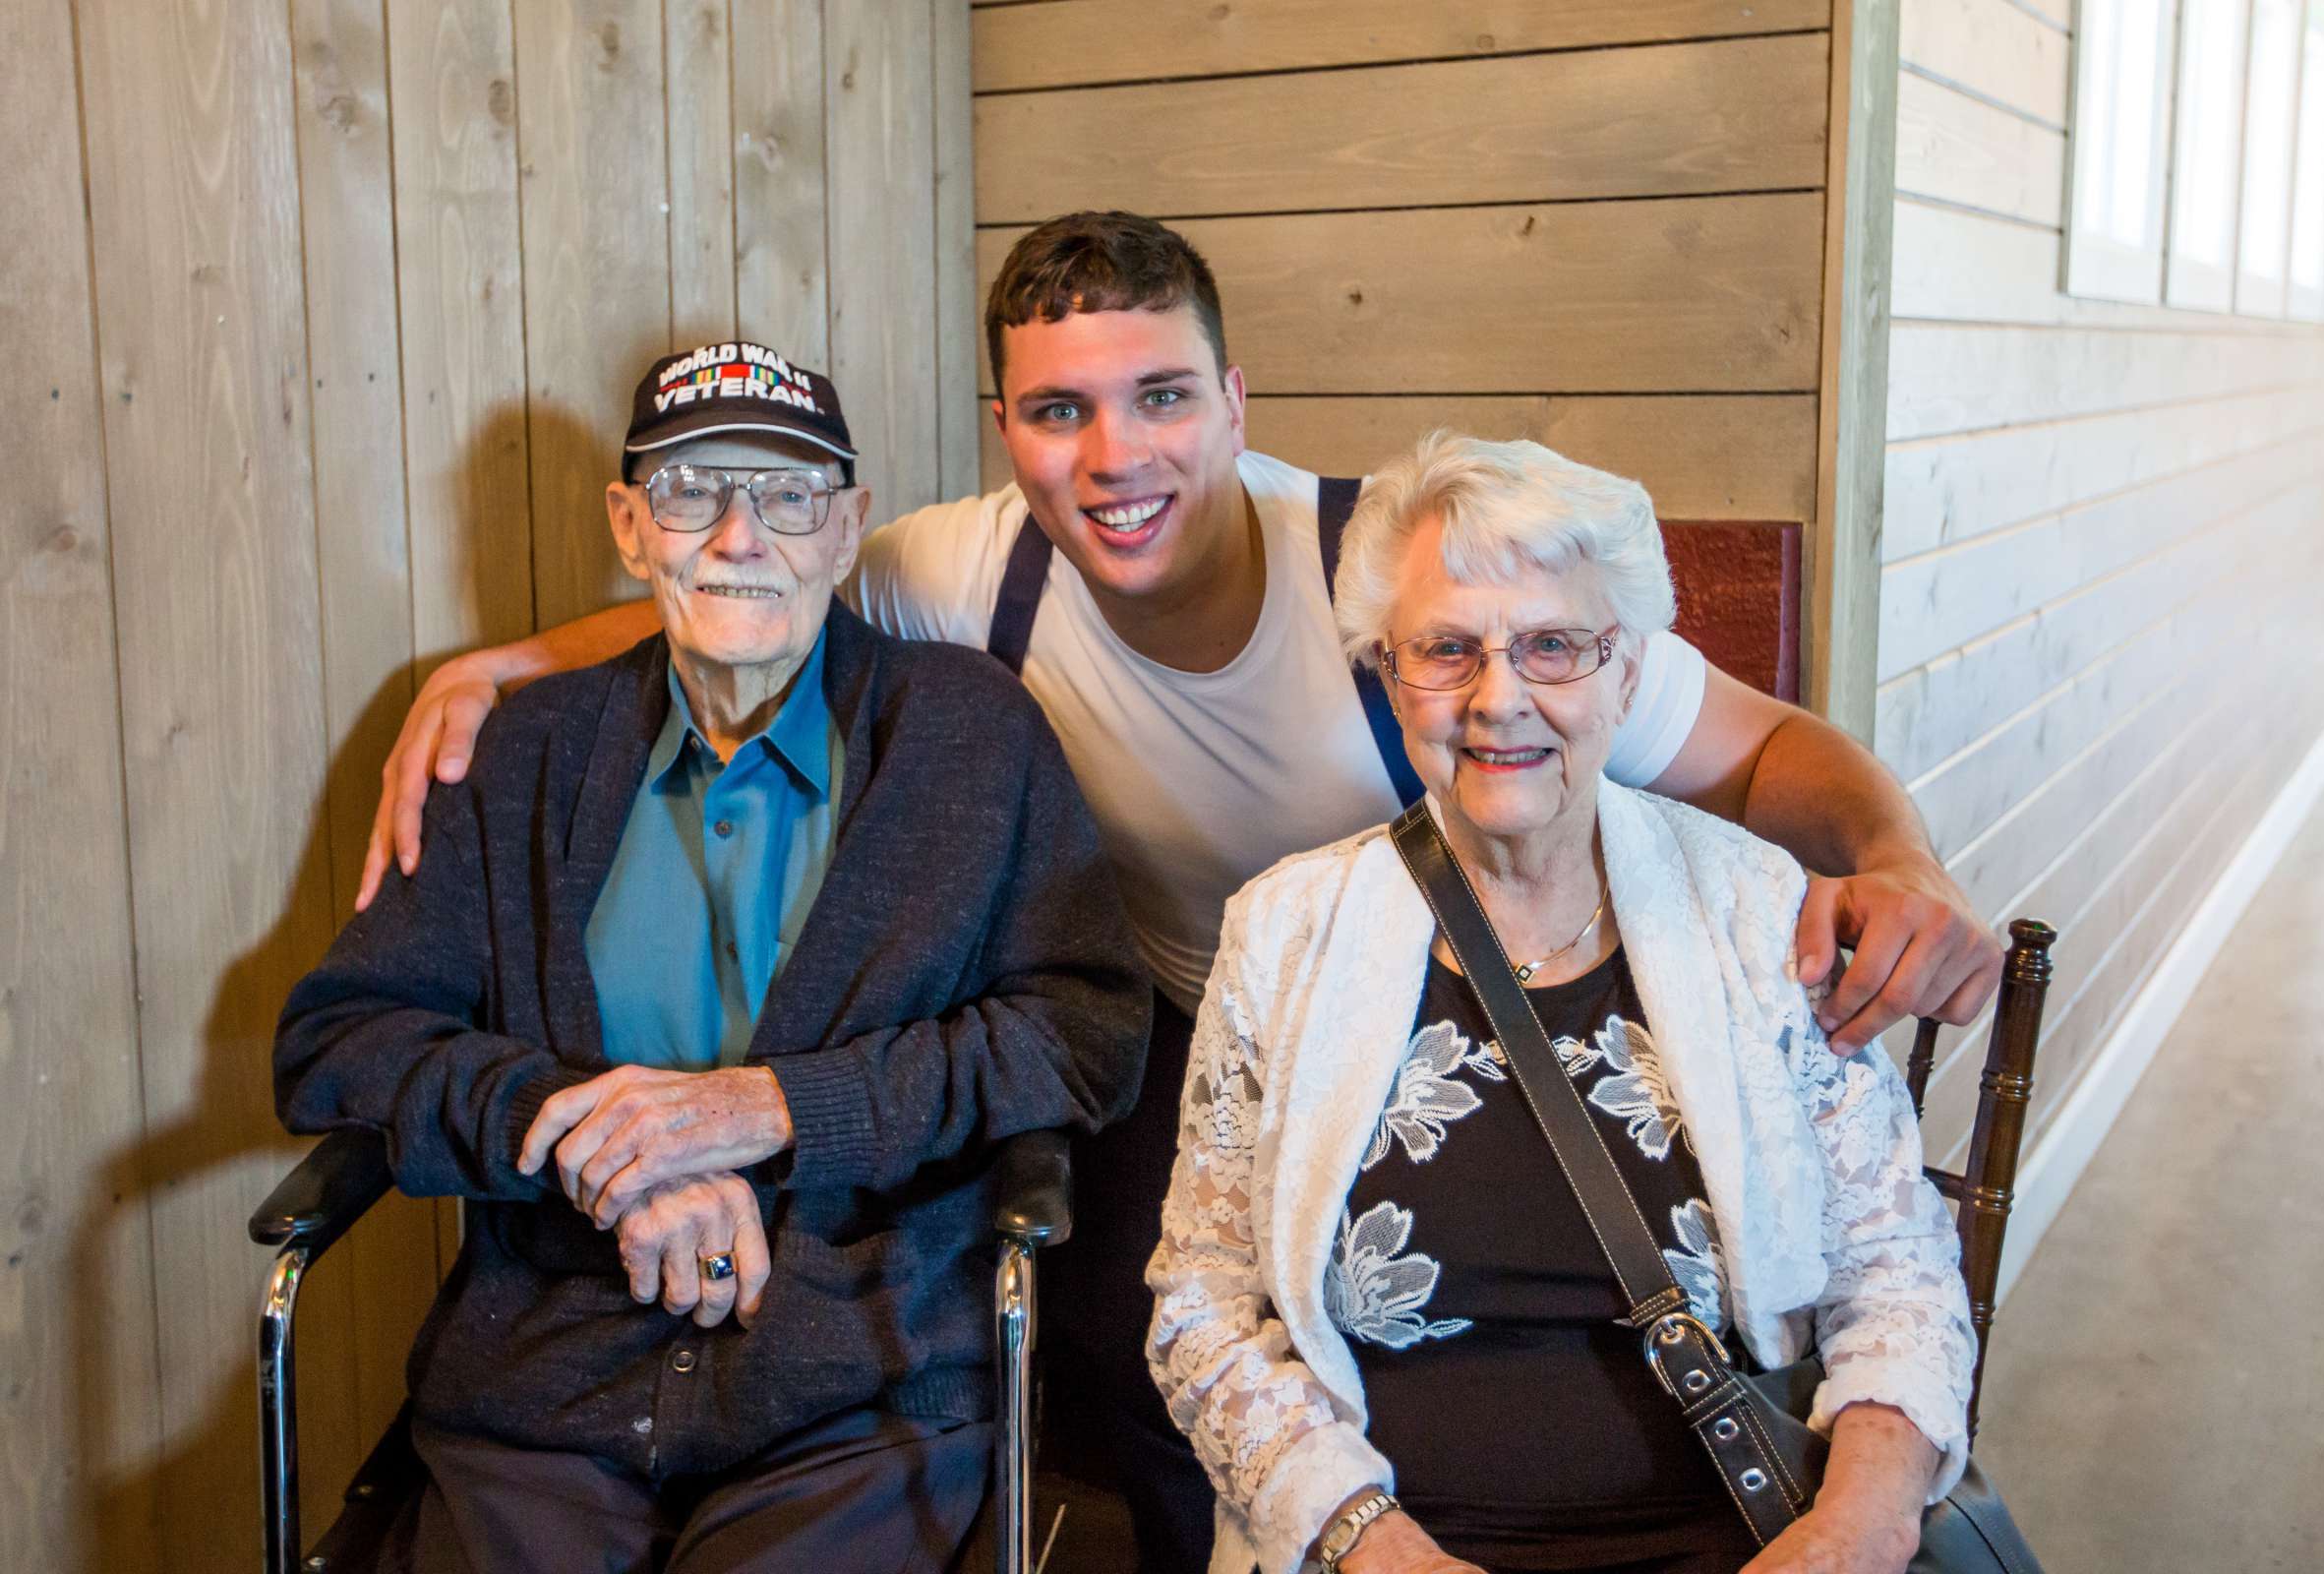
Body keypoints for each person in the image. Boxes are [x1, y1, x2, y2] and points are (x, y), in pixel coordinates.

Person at [349, 214, 1999, 1572]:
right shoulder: (960, 575)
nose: (1115, 453)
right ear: (1007, 431)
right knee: (1152, 1347)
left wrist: (1898, 854)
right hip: (1208, 1012)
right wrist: (504, 672)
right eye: (1062, 411)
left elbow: (1767, 752)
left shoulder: (1411, 583)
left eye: (1159, 398)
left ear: (1234, 402)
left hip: (1475, 981)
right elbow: (747, 587)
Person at [274, 343, 1151, 1573]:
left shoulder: (968, 734)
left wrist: (774, 1110)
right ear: (633, 529)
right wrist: (595, 1143)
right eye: (692, 490)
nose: (741, 536)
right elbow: (339, 1041)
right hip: (543, 1388)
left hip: (855, 1389)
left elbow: (1088, 1030)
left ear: (847, 529)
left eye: (789, 494)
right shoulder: (524, 755)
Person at [1148, 432, 1973, 1574]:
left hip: (1735, 1535)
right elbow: (1202, 1307)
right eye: (1446, 649)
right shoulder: (1283, 933)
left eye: (1553, 646)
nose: (1499, 699)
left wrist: (1857, 1524)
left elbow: (1899, 1265)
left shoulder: (1753, 910)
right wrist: (1368, 1544)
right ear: (1389, 674)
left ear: (1627, 671)